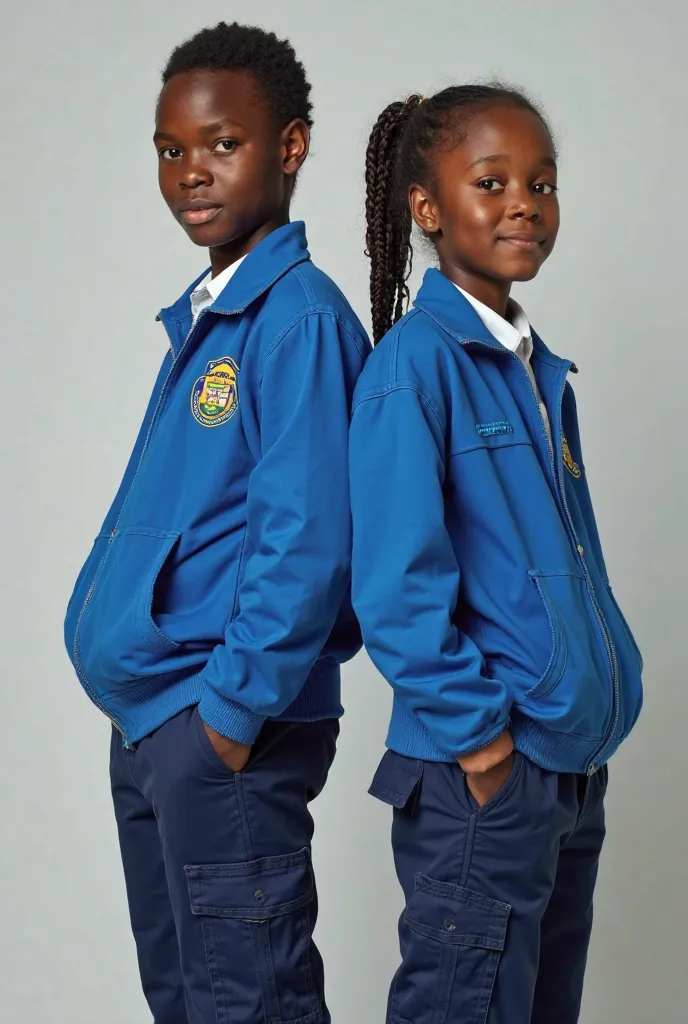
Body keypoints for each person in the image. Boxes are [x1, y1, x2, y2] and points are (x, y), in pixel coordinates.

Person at [64, 21, 369, 1024]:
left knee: (251, 1004)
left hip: (220, 728)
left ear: (289, 146)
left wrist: (229, 721)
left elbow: (308, 545)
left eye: (222, 144)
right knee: (189, 1004)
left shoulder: (298, 318)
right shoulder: (210, 317)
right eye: (171, 150)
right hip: (155, 724)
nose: (192, 172)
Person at [349, 85, 643, 1023]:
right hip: (481, 779)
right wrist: (483, 746)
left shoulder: (534, 367)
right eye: (492, 181)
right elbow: (395, 589)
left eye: (542, 182)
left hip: (567, 773)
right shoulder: (414, 365)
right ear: (429, 209)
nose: (525, 201)